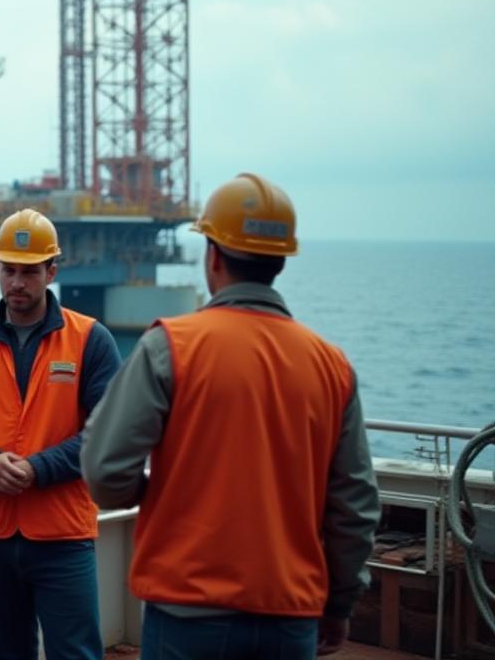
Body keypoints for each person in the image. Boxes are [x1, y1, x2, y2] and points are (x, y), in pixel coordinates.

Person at [81, 173, 381, 658]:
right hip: (290, 615)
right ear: (281, 261)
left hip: (187, 611)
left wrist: (151, 492)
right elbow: (355, 503)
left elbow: (103, 470)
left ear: (214, 256)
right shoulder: (331, 365)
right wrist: (340, 602)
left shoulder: (170, 347)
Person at [0, 208, 120, 660]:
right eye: (8, 270)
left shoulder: (90, 339)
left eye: (29, 272)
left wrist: (38, 470)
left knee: (75, 653)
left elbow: (108, 432)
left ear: (52, 272)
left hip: (63, 537)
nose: (17, 283)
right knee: (7, 652)